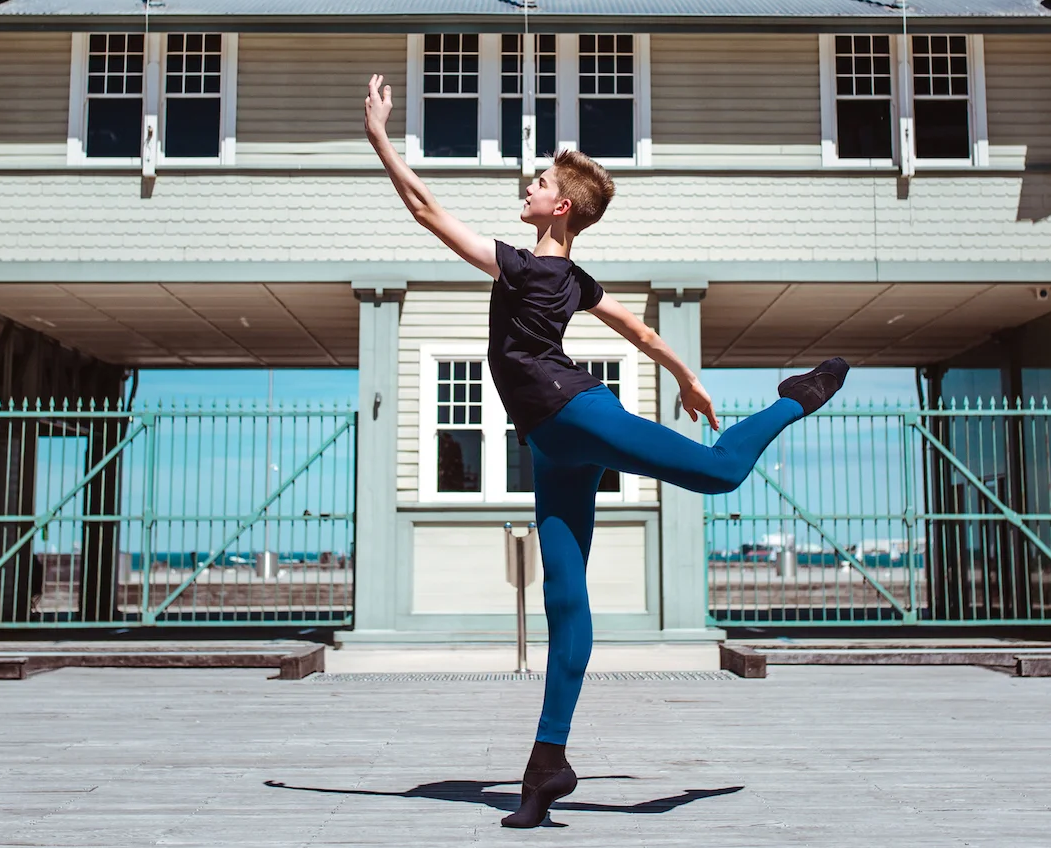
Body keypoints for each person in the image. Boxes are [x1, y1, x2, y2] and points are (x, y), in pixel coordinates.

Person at [363, 75, 849, 829]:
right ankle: (546, 765)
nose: (526, 184)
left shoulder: (527, 268)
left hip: (576, 414)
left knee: (719, 471)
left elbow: (426, 211)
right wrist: (683, 374)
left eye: (540, 181)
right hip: (551, 447)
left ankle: (793, 398)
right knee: (566, 605)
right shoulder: (571, 277)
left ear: (560, 207)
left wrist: (379, 137)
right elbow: (641, 332)